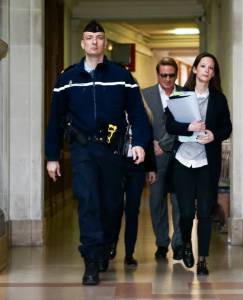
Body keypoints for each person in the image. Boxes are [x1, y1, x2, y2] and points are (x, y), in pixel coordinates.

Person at [45, 20, 150, 285]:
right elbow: (54, 119)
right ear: (82, 43)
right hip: (82, 149)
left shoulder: (121, 76)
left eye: (99, 37)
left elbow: (137, 113)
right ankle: (91, 260)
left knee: (113, 204)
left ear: (105, 43)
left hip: (112, 150)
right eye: (89, 37)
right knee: (88, 201)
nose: (94, 42)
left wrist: (139, 143)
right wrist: (52, 156)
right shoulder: (67, 79)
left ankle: (106, 245)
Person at [165, 52, 232, 275]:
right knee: (185, 213)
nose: (207, 70)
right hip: (183, 161)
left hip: (206, 163)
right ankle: (185, 245)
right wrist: (188, 128)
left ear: (214, 73)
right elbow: (170, 125)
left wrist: (214, 135)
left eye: (211, 68)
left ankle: (203, 260)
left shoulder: (219, 99)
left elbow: (227, 128)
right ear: (195, 70)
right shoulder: (180, 96)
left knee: (204, 213)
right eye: (203, 66)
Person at [142, 57, 183, 260]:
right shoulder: (145, 95)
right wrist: (150, 144)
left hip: (179, 156)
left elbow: (187, 124)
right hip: (155, 158)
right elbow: (139, 123)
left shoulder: (185, 94)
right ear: (157, 74)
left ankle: (178, 244)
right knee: (157, 201)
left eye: (171, 75)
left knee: (178, 201)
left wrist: (163, 144)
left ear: (176, 75)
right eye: (163, 75)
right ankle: (161, 243)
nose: (167, 79)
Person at [109, 101, 157, 267]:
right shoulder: (114, 111)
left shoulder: (142, 115)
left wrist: (151, 168)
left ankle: (129, 254)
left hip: (136, 166)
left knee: (132, 210)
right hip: (116, 165)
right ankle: (111, 244)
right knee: (115, 208)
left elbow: (148, 144)